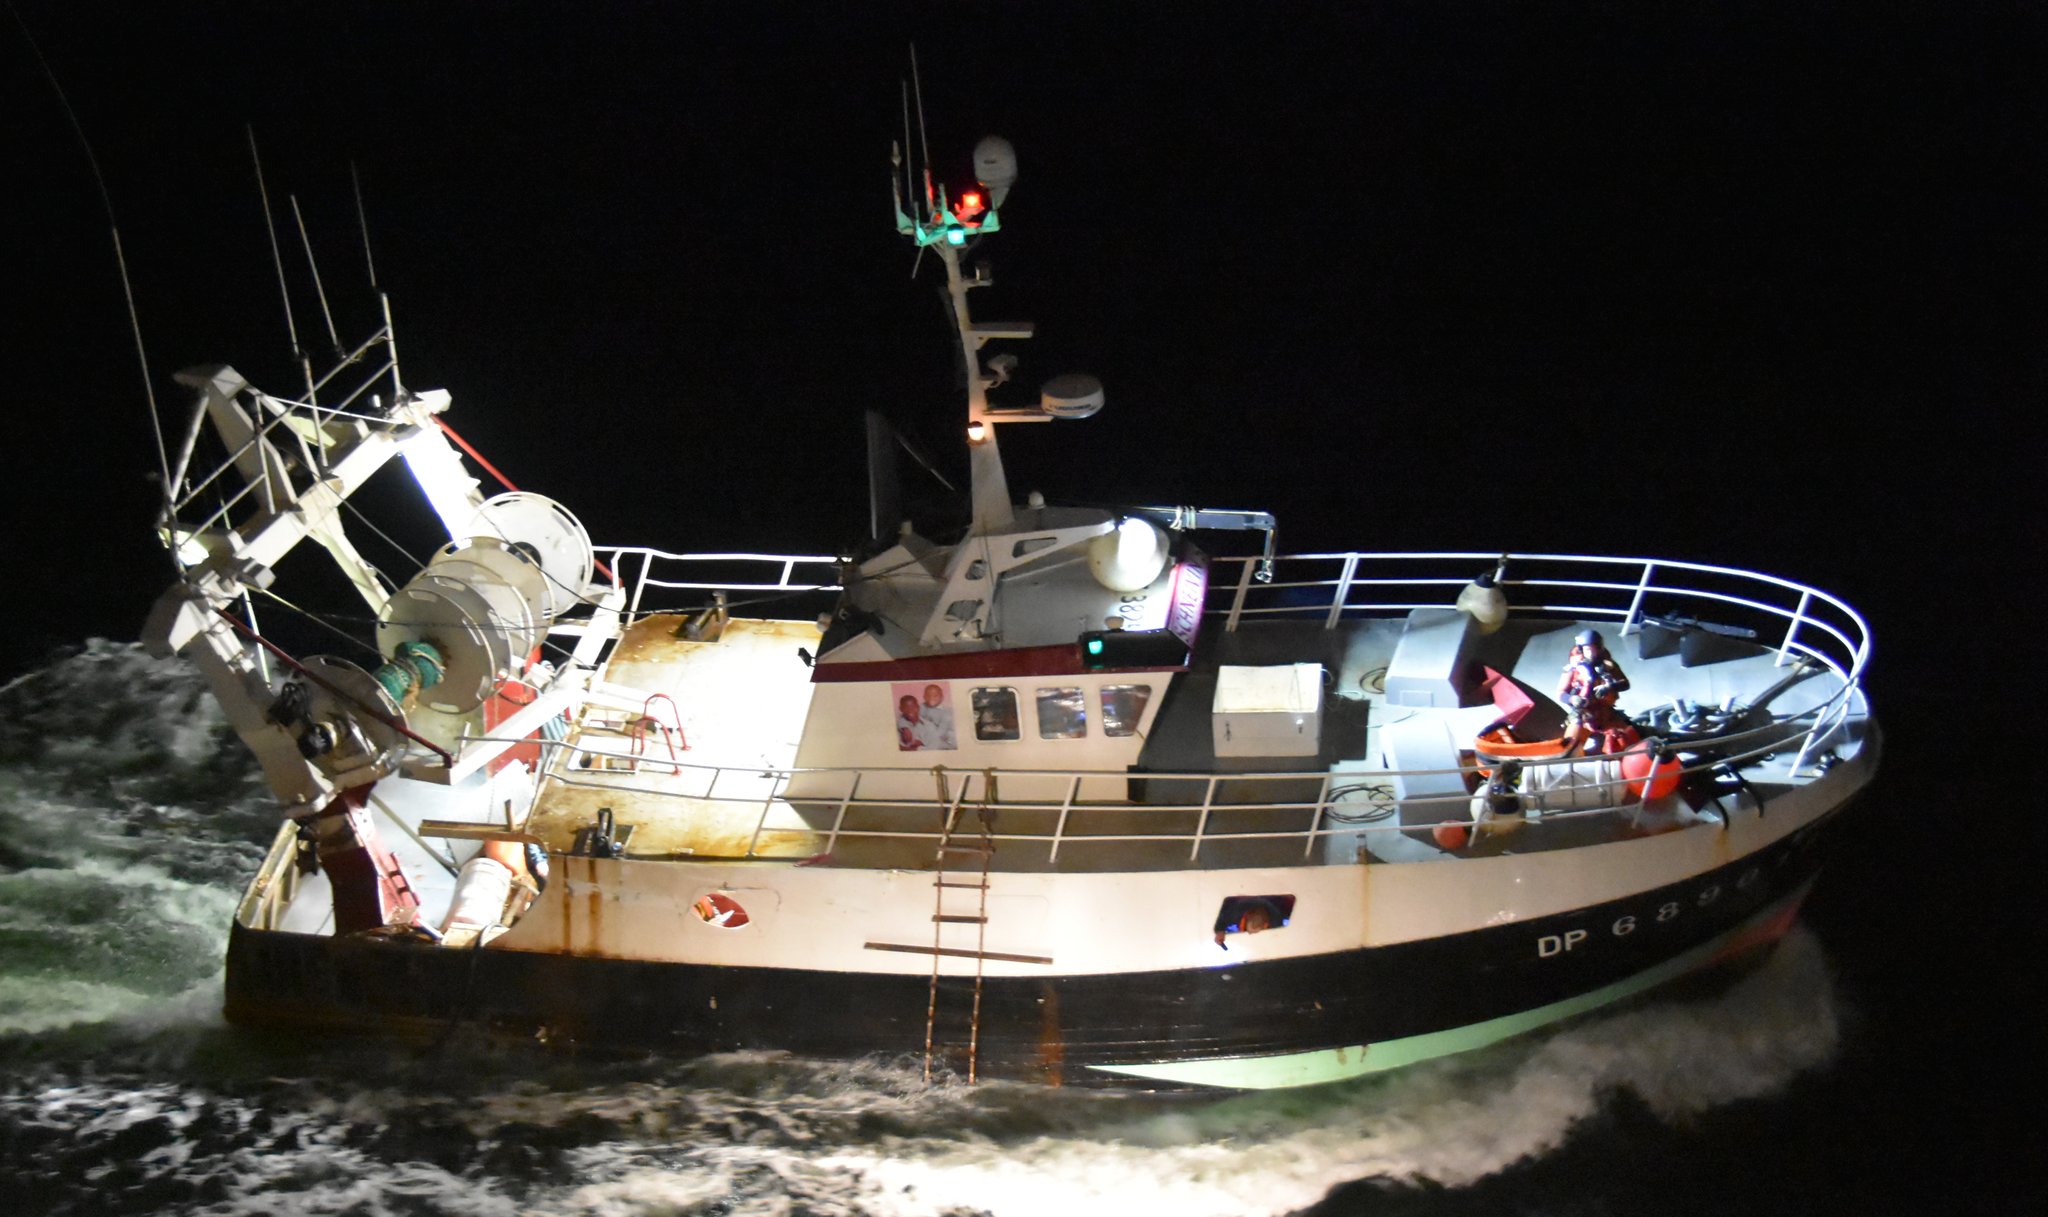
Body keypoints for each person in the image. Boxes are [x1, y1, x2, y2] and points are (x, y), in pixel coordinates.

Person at [1557, 629, 1631, 752]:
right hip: (1583, 715)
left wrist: (1609, 687)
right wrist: (1572, 699)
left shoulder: (1608, 666)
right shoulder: (1573, 668)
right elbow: (1560, 693)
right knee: (1569, 747)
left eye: (1594, 649)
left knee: (1626, 742)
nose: (1591, 653)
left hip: (1606, 714)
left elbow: (1625, 684)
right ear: (1581, 650)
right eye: (1587, 649)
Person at [920, 683, 957, 749]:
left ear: (942, 697)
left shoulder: (946, 712)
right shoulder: (921, 708)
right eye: (928, 695)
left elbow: (940, 733)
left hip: (944, 737)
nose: (931, 698)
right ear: (924, 697)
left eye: (935, 696)